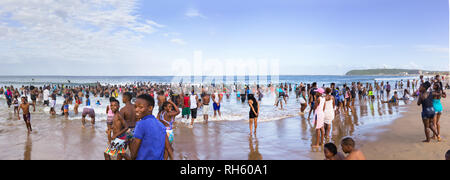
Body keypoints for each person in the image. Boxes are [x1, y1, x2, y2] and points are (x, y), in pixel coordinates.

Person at [130, 94, 173, 160]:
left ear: (150, 108)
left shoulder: (141, 124)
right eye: (135, 107)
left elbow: (134, 152)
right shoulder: (160, 125)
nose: (136, 109)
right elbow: (169, 148)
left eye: (140, 107)